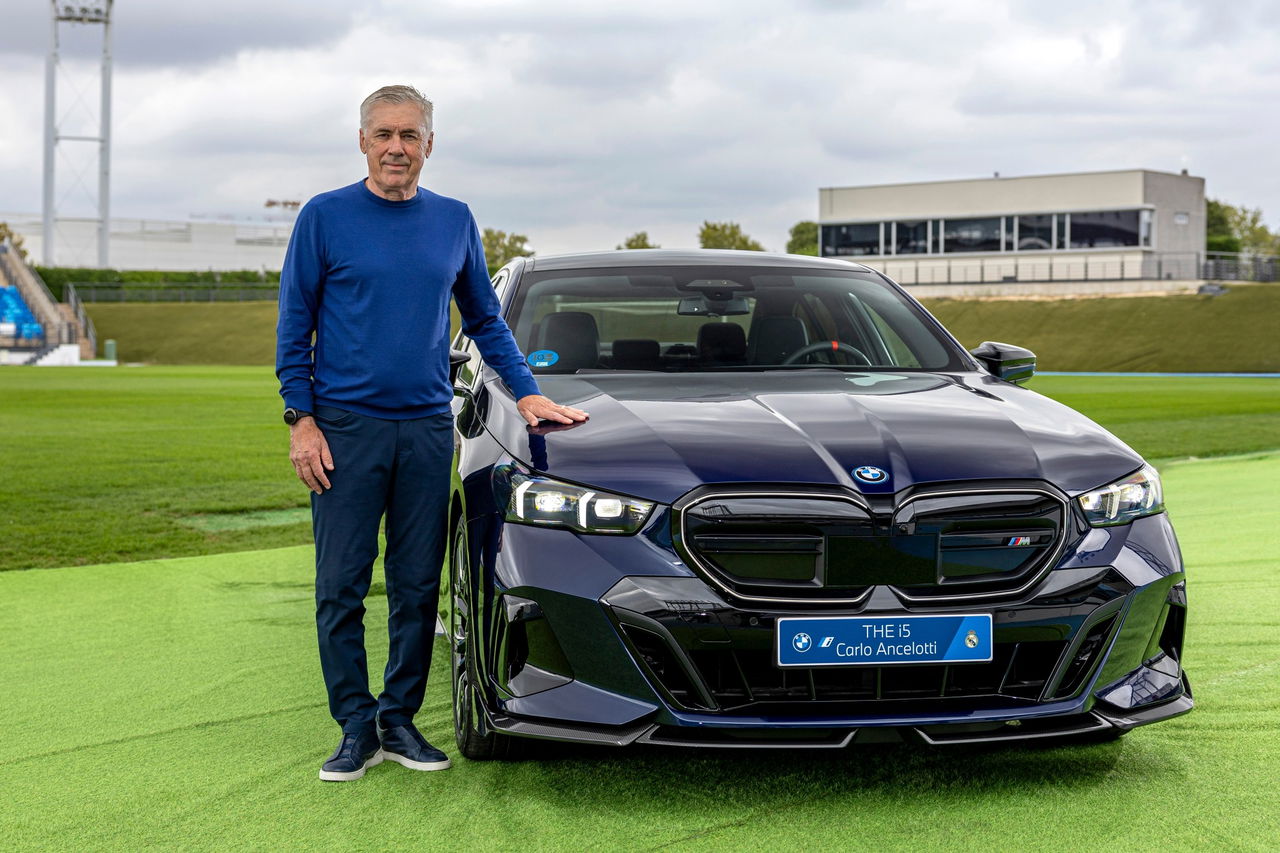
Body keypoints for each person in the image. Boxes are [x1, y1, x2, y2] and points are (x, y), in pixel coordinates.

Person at [275, 84, 587, 782]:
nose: (396, 147)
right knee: (342, 587)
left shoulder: (453, 220)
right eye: (383, 134)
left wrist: (529, 393)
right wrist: (301, 420)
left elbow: (484, 318)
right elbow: (295, 327)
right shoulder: (324, 218)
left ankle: (398, 719)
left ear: (429, 145)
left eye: (409, 135)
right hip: (344, 430)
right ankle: (354, 726)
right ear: (362, 141)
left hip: (424, 428)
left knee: (418, 585)